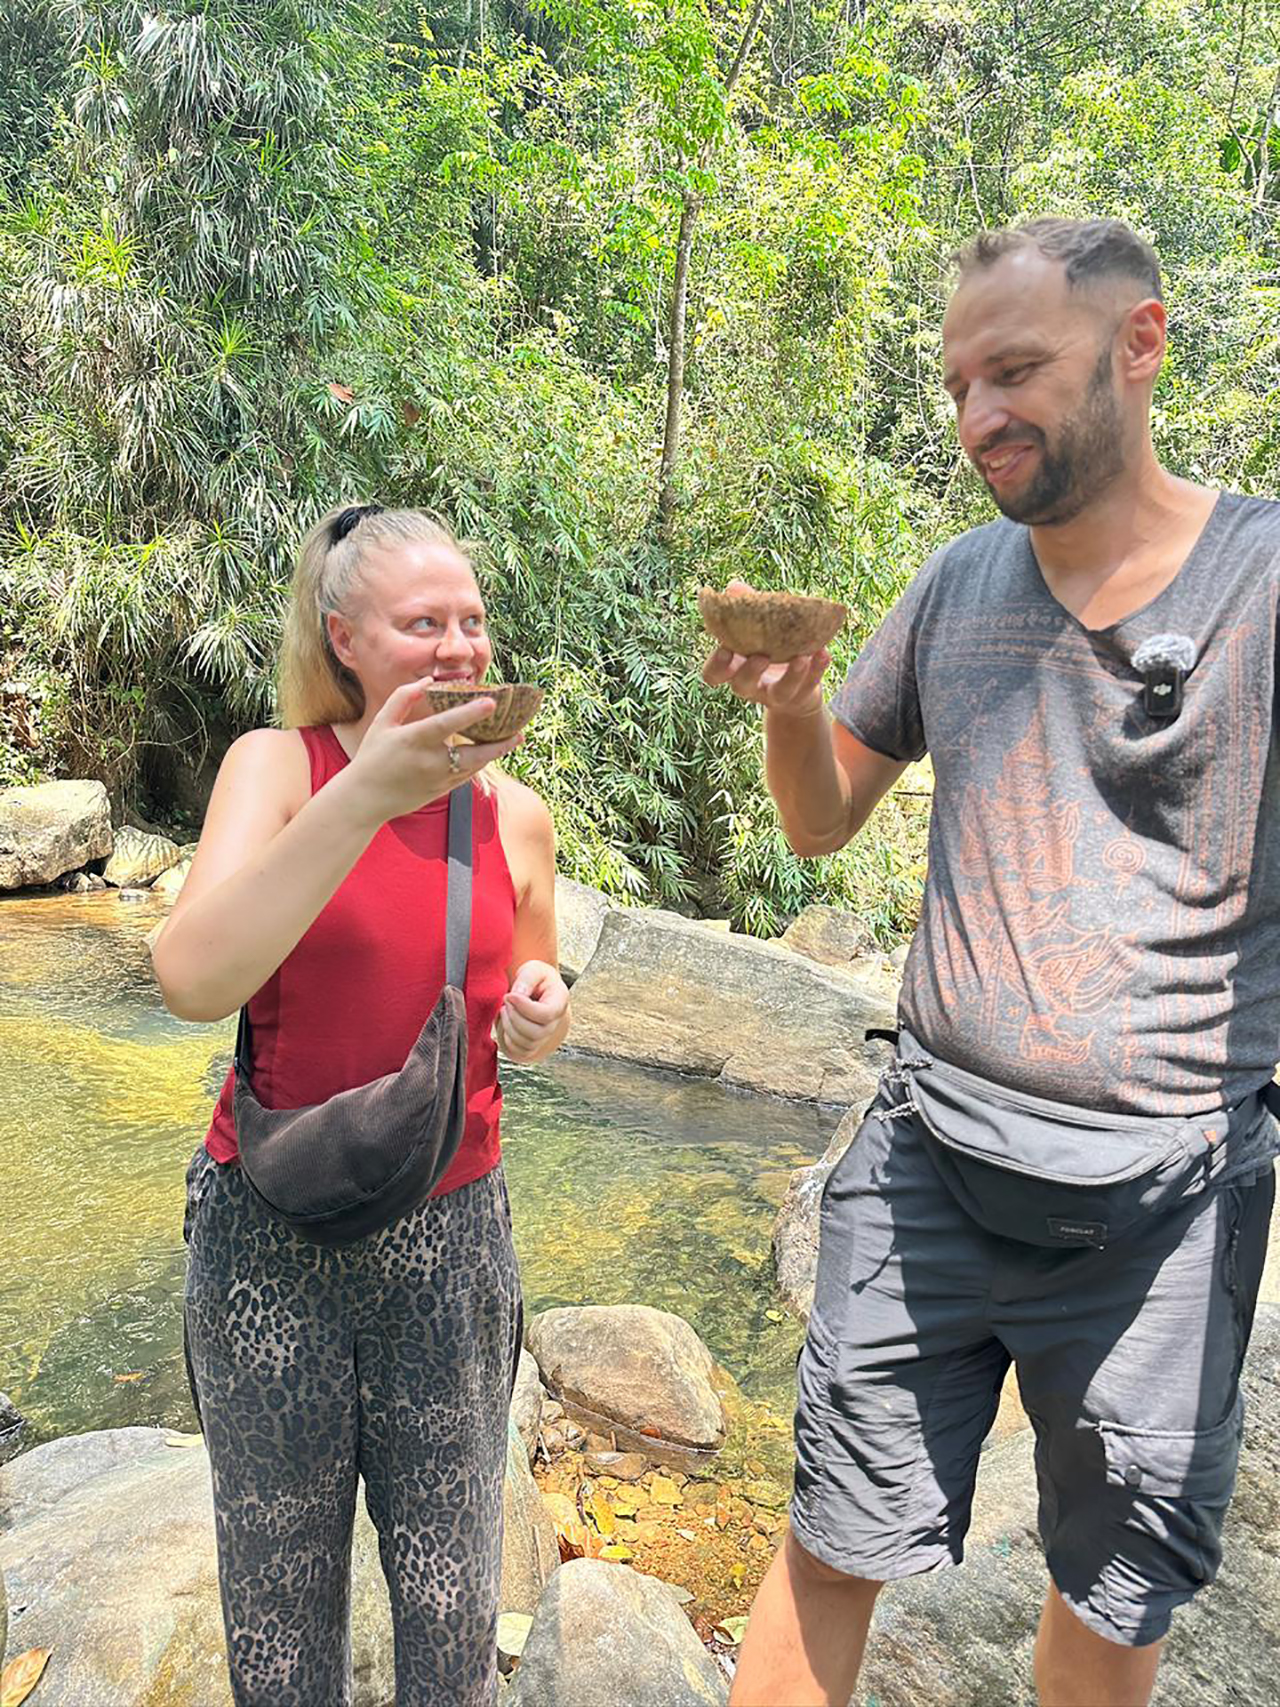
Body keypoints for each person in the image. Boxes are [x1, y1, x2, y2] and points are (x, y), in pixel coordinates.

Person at [705, 218, 1280, 1707]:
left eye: (1014, 369)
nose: (978, 416)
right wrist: (793, 702)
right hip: (928, 1168)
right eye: (959, 383)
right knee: (829, 1540)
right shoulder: (960, 582)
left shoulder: (1263, 580)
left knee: (1110, 1593)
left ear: (1140, 342)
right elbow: (820, 823)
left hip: (1163, 1209)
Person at [151, 504, 571, 1707]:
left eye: (472, 621)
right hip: (268, 1232)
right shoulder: (276, 769)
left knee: (450, 1609)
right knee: (279, 1614)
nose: (460, 646)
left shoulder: (511, 815)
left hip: (452, 1239)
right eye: (423, 623)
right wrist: (366, 794)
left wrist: (542, 1013)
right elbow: (191, 980)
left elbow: (529, 995)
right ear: (344, 639)